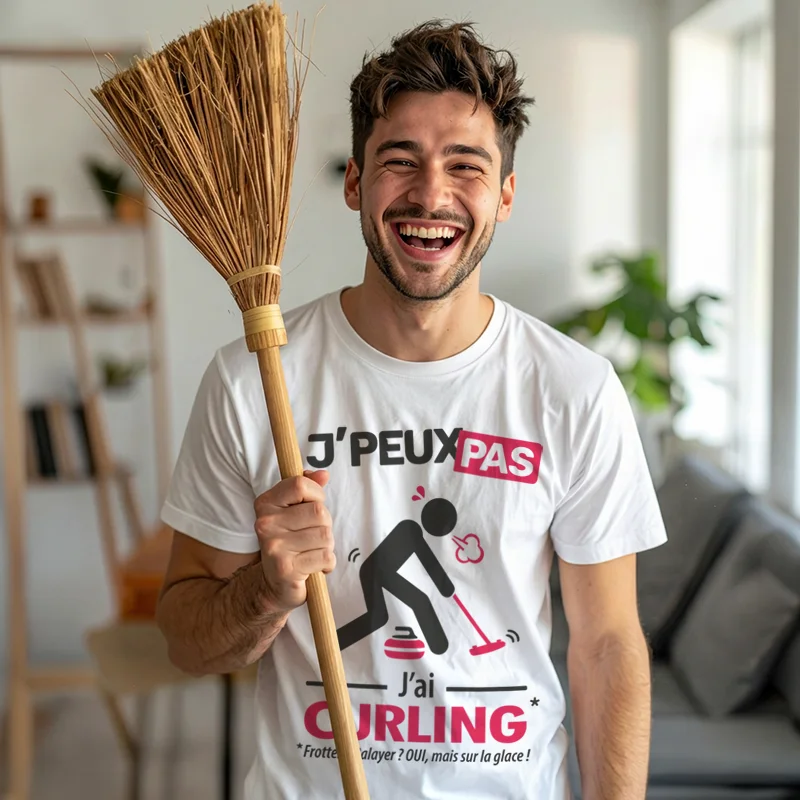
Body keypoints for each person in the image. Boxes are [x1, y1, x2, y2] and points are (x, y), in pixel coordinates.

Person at [155, 19, 668, 800]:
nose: (432, 194)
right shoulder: (252, 384)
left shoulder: (572, 388)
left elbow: (605, 647)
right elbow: (187, 645)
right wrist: (267, 589)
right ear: (356, 182)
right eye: (402, 162)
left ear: (504, 196)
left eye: (466, 166)